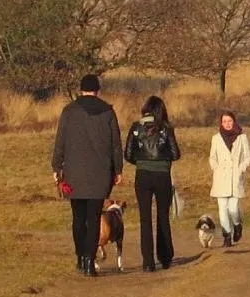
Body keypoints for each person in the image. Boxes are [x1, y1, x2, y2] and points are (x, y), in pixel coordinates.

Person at [51, 73, 122, 277]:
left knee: (78, 217)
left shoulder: (69, 111)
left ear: (81, 90)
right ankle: (90, 261)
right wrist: (118, 169)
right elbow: (115, 144)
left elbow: (60, 142)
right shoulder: (108, 112)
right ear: (97, 90)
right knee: (93, 218)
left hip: (74, 173)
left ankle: (80, 257)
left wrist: (57, 167)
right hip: (99, 173)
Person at [125, 96, 181, 272]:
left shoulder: (136, 127)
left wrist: (141, 162)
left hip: (142, 176)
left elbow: (128, 153)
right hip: (162, 175)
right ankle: (165, 256)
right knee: (162, 217)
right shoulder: (166, 128)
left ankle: (148, 261)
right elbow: (175, 153)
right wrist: (161, 160)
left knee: (145, 218)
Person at [208, 110, 250, 246]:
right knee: (222, 208)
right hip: (221, 177)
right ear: (221, 123)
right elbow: (212, 157)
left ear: (234, 121)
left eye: (230, 121)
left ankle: (237, 225)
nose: (227, 124)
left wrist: (240, 169)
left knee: (232, 208)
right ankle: (226, 236)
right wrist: (216, 168)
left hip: (235, 177)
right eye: (224, 121)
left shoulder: (242, 137)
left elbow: (248, 157)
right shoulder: (216, 138)